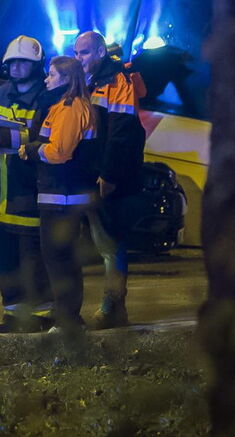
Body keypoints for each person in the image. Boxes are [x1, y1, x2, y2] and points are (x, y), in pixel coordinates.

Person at [0, 35, 55, 333]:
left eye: (23, 62)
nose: (16, 67)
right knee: (5, 257)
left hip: (28, 189)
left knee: (32, 257)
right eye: (12, 62)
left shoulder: (45, 98)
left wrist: (2, 137)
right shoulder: (1, 94)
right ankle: (13, 314)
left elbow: (43, 140)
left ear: (35, 66)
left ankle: (42, 315)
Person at [73, 30, 146, 329]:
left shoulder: (116, 80)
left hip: (106, 175)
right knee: (94, 242)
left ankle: (114, 308)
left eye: (85, 53)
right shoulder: (88, 82)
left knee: (110, 243)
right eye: (77, 53)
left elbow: (122, 131)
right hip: (86, 173)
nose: (80, 59)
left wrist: (109, 173)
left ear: (101, 52)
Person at [20, 56, 98, 332]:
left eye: (51, 75)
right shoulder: (63, 106)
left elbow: (60, 152)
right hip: (61, 195)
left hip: (63, 196)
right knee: (60, 257)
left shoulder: (69, 108)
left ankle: (69, 319)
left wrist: (32, 150)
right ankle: (66, 314)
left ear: (65, 79)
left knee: (59, 257)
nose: (46, 79)